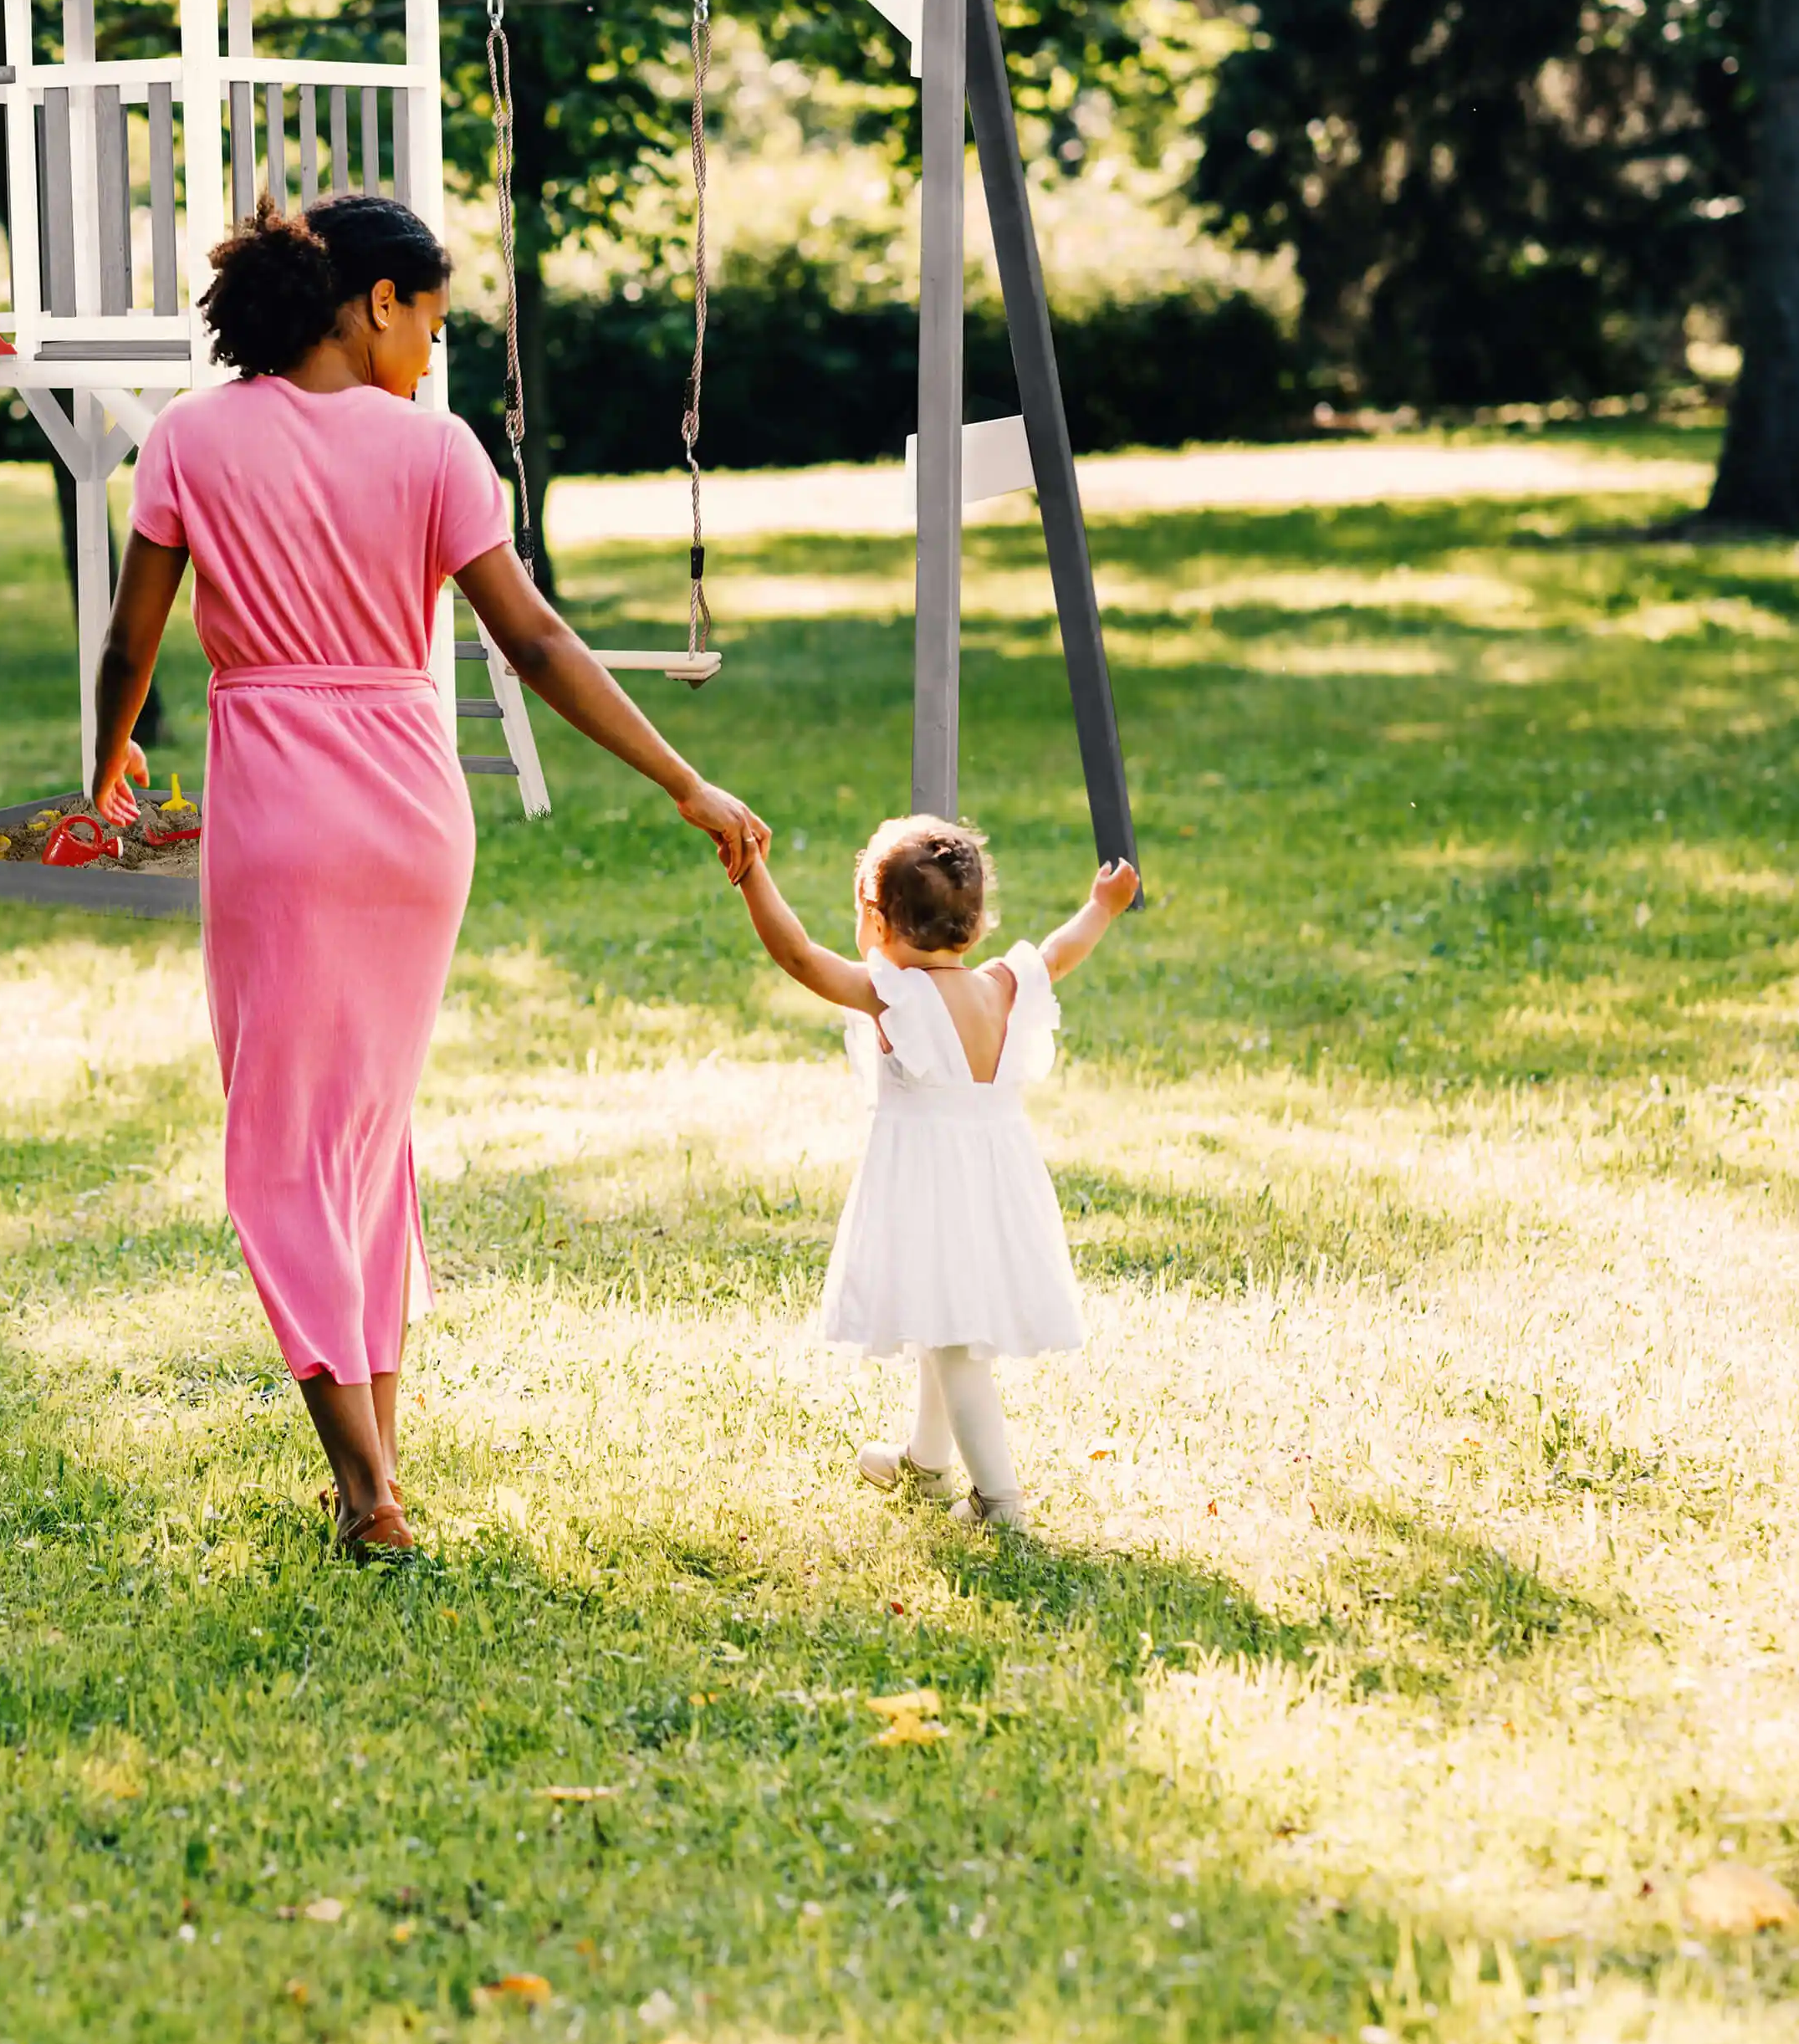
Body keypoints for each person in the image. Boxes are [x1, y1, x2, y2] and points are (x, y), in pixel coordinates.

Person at [87, 194, 769, 1562]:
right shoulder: (436, 452)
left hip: (279, 815)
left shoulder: (190, 440)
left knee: (284, 1145)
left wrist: (103, 768)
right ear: (375, 302)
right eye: (433, 322)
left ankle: (365, 1490)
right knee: (364, 1136)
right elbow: (537, 643)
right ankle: (378, 1465)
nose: (433, 353)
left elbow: (131, 643)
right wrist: (681, 778)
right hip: (411, 816)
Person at [732, 815, 1140, 1530]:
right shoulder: (1002, 986)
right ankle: (926, 1463)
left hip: (931, 1187)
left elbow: (797, 956)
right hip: (995, 1181)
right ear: (976, 926)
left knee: (954, 1343)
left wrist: (751, 872)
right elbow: (1059, 951)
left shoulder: (896, 997)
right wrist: (1100, 907)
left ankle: (999, 1500)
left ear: (877, 920)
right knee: (938, 1315)